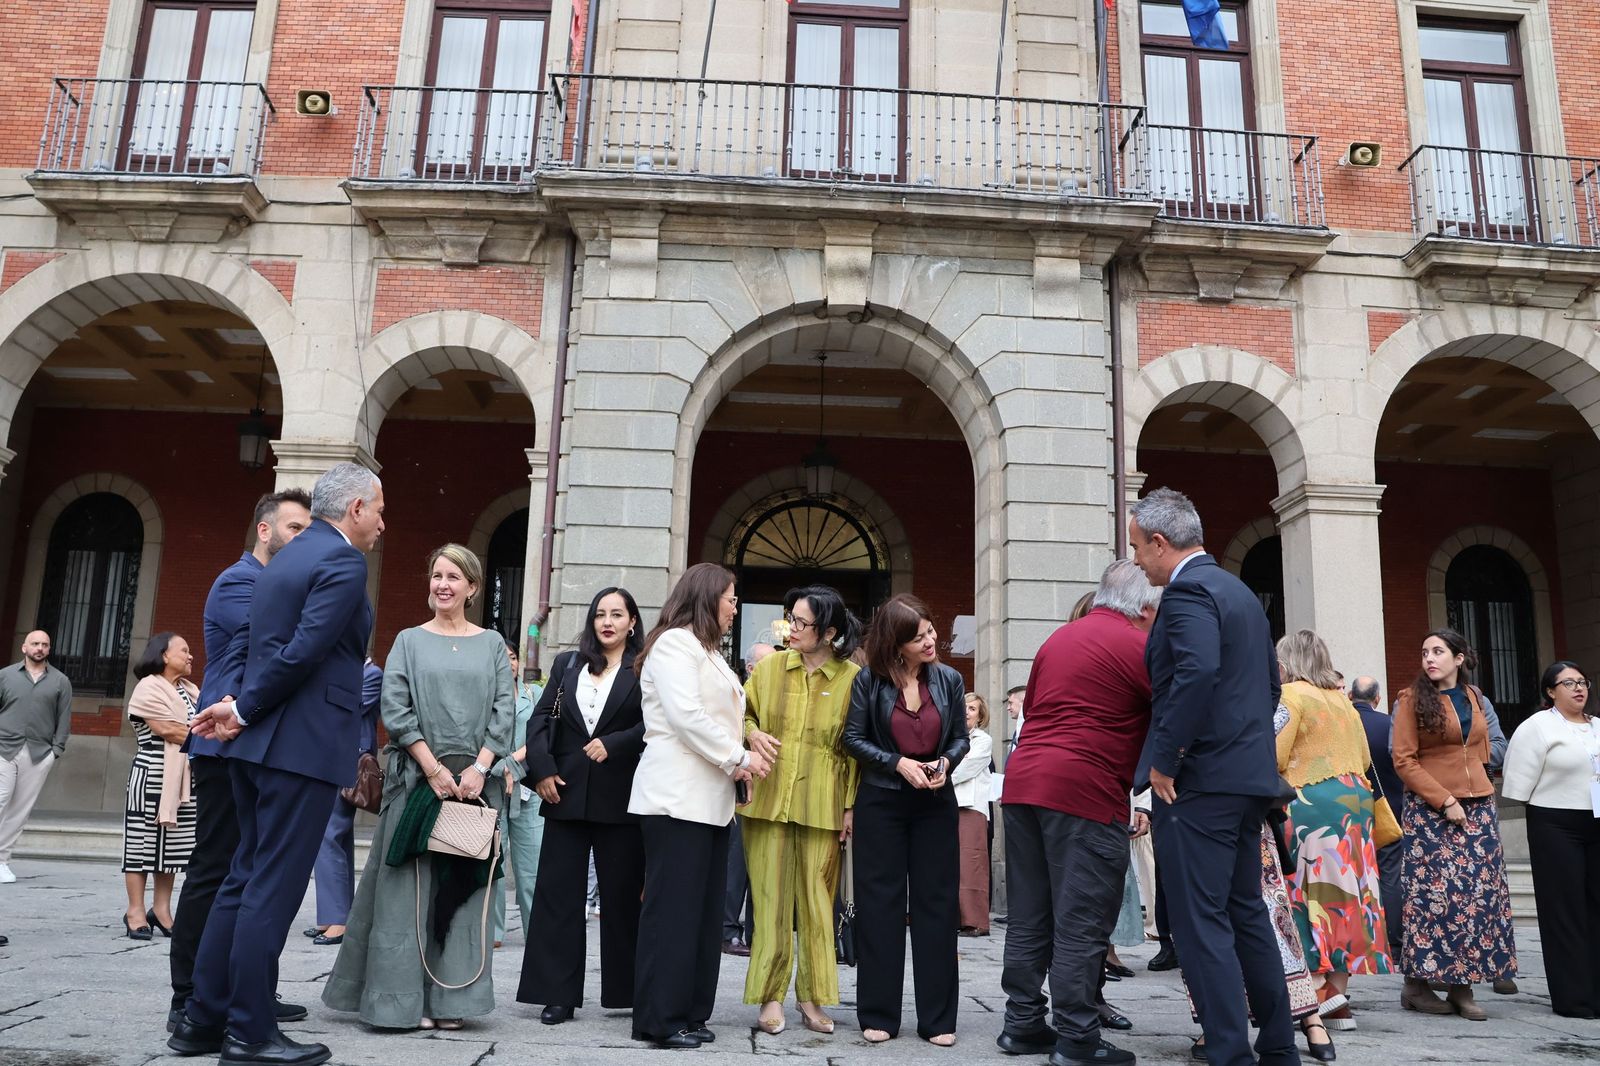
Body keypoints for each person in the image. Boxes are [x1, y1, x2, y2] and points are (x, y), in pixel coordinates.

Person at [172, 462, 383, 1066]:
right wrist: (245, 708)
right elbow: (305, 651)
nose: (383, 522)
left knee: (242, 880)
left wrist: (241, 709)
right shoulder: (342, 561)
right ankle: (249, 1032)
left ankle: (201, 1020)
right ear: (355, 509)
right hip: (300, 744)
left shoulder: (284, 556)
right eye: (379, 509)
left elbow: (262, 649)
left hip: (259, 745)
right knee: (271, 887)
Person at [1129, 487, 1294, 1066]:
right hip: (1248, 779)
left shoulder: (1188, 590)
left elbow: (1195, 673)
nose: (1138, 564)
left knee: (1202, 923)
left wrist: (1165, 759)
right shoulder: (1241, 592)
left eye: (1138, 551)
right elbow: (1270, 687)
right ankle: (1277, 1045)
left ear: (1159, 542)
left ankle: (1228, 1050)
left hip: (1200, 782)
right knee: (1247, 914)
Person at [322, 544, 514, 1030]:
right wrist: (433, 769)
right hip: (416, 782)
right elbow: (396, 707)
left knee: (460, 897)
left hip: (473, 789)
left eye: (454, 577)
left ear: (472, 587)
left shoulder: (491, 644)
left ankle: (451, 1003)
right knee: (405, 894)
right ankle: (400, 1002)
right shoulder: (408, 639)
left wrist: (479, 769)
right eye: (436, 576)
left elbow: (503, 712)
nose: (442, 585)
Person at [996, 560, 1158, 1066]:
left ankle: (1021, 1024)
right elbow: (1169, 713)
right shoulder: (1138, 646)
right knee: (1082, 922)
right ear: (1145, 607)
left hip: (1024, 783)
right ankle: (1077, 1039)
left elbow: (1037, 708)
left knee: (1029, 915)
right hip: (1083, 790)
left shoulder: (1057, 641)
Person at [168, 489, 312, 1032]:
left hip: (257, 743)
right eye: (294, 528)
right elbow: (275, 644)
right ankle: (188, 993)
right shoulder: (239, 581)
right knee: (216, 867)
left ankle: (249, 987)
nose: (303, 538)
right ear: (264, 530)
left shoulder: (274, 582)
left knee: (251, 872)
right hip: (221, 744)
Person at [629, 563, 772, 1049]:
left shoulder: (709, 651)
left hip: (710, 802)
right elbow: (686, 717)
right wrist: (740, 757)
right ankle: (659, 1018)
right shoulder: (673, 644)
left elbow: (724, 717)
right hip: (674, 798)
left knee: (703, 914)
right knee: (672, 912)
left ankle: (690, 1010)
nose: (735, 607)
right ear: (708, 597)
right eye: (731, 598)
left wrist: (744, 745)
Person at [843, 593, 969, 1047]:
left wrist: (946, 764)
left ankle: (938, 1018)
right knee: (881, 905)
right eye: (918, 637)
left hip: (936, 801)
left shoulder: (950, 679)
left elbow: (960, 738)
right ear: (896, 644)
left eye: (931, 630)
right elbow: (852, 739)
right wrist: (897, 763)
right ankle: (878, 1013)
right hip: (883, 800)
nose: (931, 640)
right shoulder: (868, 682)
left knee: (937, 906)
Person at [516, 587, 647, 1025]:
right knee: (558, 898)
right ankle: (557, 994)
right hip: (564, 792)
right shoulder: (568, 664)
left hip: (622, 798)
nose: (607, 622)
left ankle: (628, 990)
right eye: (599, 614)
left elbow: (654, 724)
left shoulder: (645, 668)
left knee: (622, 898)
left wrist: (615, 742)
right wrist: (542, 772)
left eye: (617, 614)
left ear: (632, 622)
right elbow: (541, 720)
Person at [740, 586, 863, 1035]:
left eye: (800, 622)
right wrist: (751, 735)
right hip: (767, 801)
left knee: (816, 905)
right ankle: (770, 997)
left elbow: (856, 750)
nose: (790, 629)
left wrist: (850, 806)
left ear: (828, 632)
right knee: (769, 901)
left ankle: (811, 999)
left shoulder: (852, 678)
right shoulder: (769, 667)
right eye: (789, 618)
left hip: (824, 804)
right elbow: (741, 714)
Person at [1391, 628, 1516, 1021]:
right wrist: (1445, 800)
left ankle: (1463, 987)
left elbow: (1484, 746)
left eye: (1438, 651)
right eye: (1425, 651)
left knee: (1476, 899)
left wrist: (1473, 780)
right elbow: (1403, 760)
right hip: (1431, 810)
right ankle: (1418, 984)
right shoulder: (1411, 699)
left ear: (1459, 658)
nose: (1429, 658)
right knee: (1433, 900)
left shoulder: (1475, 697)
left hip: (1478, 805)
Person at [1273, 630, 1389, 1042]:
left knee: (1307, 893)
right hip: (1355, 806)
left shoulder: (1291, 697)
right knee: (1348, 897)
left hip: (1309, 804)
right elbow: (1363, 758)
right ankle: (1337, 993)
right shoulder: (1345, 703)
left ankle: (1313, 993)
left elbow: (1273, 754)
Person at [1501, 661, 1598, 1019]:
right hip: (1555, 822)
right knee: (1565, 909)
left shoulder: (1598, 727)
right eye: (1568, 682)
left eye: (1582, 681)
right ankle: (1574, 998)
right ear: (1550, 691)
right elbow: (1516, 783)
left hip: (1596, 821)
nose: (1578, 688)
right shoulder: (1538, 727)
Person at [121, 632, 200, 940]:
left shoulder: (189, 691)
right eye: (185, 650)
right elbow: (168, 729)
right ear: (164, 655)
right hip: (151, 774)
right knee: (141, 845)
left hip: (182, 779)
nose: (190, 656)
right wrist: (209, 736)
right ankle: (136, 912)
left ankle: (162, 910)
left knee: (171, 847)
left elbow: (192, 727)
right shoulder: (148, 687)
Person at [304, 658, 384, 946]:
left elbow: (346, 708)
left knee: (329, 836)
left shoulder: (372, 674)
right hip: (332, 758)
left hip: (351, 761)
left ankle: (338, 920)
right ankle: (334, 917)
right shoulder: (341, 670)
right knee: (337, 836)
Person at [0, 630, 73, 884]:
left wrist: (56, 751)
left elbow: (64, 719)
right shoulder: (5, 676)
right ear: (24, 647)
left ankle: (2, 861)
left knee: (20, 809)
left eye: (44, 644)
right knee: (1, 799)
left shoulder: (60, 681)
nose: (39, 648)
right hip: (4, 748)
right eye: (35, 644)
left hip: (39, 753)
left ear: (49, 649)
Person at [723, 640, 777, 958]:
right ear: (753, 669)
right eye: (769, 664)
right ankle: (728, 931)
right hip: (742, 792)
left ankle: (758, 933)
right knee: (737, 865)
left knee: (764, 866)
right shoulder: (739, 697)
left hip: (771, 792)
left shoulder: (778, 696)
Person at [491, 641, 543, 947]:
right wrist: (501, 768)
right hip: (493, 788)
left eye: (512, 657)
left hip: (528, 789)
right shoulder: (485, 698)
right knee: (494, 862)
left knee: (532, 867)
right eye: (502, 658)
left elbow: (541, 735)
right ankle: (494, 932)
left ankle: (535, 929)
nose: (509, 663)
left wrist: (514, 762)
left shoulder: (533, 695)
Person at [1350, 676, 1403, 964]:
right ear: (1377, 699)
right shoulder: (1389, 725)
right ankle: (1393, 942)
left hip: (1351, 813)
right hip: (1390, 812)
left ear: (1349, 695)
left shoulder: (1343, 723)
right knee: (1390, 877)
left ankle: (1360, 938)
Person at [954, 692, 993, 938]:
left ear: (980, 716)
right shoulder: (950, 737)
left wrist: (940, 775)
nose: (966, 712)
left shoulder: (983, 740)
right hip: (947, 804)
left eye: (972, 709)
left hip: (971, 807)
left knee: (971, 864)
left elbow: (967, 767)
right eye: (964, 707)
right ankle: (954, 917)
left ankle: (976, 921)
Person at [1005, 685, 1026, 752]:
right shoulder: (1018, 729)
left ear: (1024, 702)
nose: (1008, 708)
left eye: (1010, 703)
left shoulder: (1030, 729)